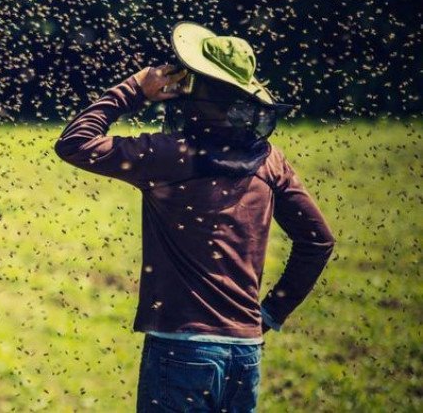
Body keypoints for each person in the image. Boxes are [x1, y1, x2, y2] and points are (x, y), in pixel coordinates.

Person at [53, 22, 336, 412]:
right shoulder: (270, 162)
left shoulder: (170, 155)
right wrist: (271, 312)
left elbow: (75, 143)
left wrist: (134, 88)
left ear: (202, 94)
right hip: (245, 353)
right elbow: (318, 240)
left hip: (180, 350)